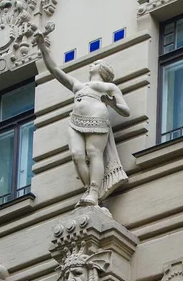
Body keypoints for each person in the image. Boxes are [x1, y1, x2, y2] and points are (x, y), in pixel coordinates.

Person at [35, 28, 130, 206]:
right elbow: (55, 70)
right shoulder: (78, 85)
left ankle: (94, 191)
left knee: (94, 153)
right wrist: (42, 48)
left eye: (96, 63)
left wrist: (112, 104)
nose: (91, 64)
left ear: (103, 69)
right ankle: (90, 188)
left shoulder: (109, 87)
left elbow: (126, 110)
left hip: (97, 119)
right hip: (76, 120)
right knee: (77, 154)